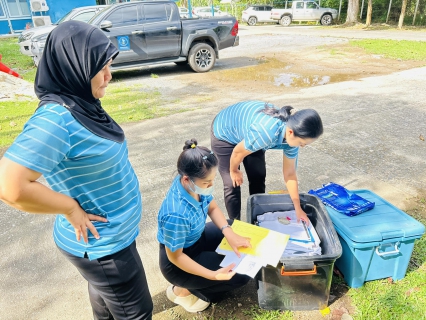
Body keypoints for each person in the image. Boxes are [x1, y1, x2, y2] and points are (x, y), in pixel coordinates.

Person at [0, 21, 153, 320]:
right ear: (75, 66)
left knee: (106, 306)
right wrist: (70, 208)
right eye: (101, 68)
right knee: (137, 313)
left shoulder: (81, 103)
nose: (109, 75)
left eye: (110, 64)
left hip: (108, 239)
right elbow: (9, 186)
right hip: (104, 247)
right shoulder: (57, 119)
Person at [157, 139, 251, 313]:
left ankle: (197, 280)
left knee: (233, 227)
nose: (211, 186)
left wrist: (228, 233)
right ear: (187, 179)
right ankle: (185, 290)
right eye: (207, 183)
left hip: (196, 237)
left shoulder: (194, 185)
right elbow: (175, 257)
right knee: (241, 274)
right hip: (179, 261)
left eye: (212, 180)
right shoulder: (175, 214)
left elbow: (212, 207)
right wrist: (213, 275)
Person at [211, 100, 323, 221]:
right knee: (232, 184)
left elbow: (290, 174)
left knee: (258, 176)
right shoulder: (267, 133)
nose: (302, 146)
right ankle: (234, 223)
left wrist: (298, 208)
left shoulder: (292, 140)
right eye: (302, 143)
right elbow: (238, 152)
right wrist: (233, 171)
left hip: (250, 133)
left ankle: (256, 218)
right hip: (225, 132)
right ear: (290, 132)